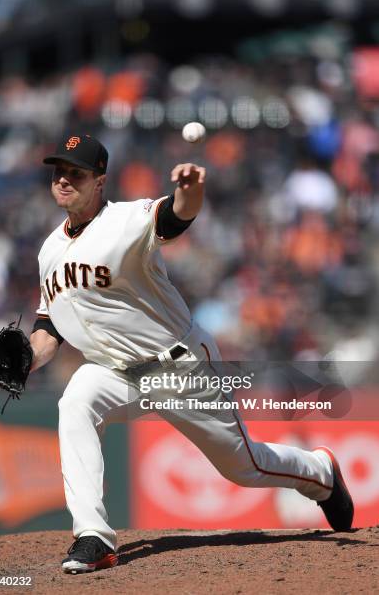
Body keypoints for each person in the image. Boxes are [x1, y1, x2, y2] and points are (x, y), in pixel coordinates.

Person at [30, 134, 353, 574]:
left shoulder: (126, 220)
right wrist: (29, 358)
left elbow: (175, 216)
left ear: (100, 181)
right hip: (113, 371)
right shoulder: (49, 250)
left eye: (76, 173)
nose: (64, 180)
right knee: (76, 402)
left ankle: (320, 472)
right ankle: (93, 537)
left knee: (244, 466)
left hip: (177, 364)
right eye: (59, 171)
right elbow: (48, 328)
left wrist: (190, 189)